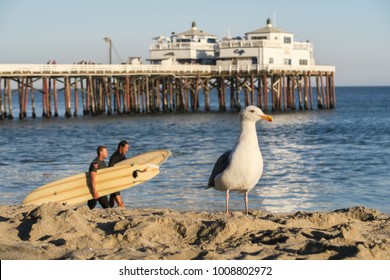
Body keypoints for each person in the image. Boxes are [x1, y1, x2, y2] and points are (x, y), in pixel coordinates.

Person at [108, 140, 130, 207]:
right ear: (121, 147)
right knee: (120, 203)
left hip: (117, 181)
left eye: (127, 148)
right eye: (126, 148)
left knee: (111, 202)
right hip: (113, 182)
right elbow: (109, 169)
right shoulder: (114, 157)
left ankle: (108, 210)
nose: (127, 150)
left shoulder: (123, 156)